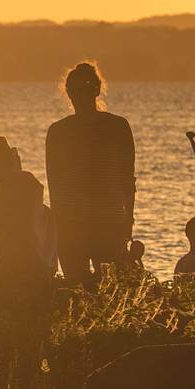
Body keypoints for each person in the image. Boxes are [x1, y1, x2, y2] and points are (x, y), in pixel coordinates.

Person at [46, 62, 135, 284]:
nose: (79, 95)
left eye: (79, 90)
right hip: (103, 220)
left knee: (82, 290)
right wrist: (127, 221)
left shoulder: (58, 131)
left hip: (77, 222)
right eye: (77, 90)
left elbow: (54, 185)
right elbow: (127, 180)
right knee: (109, 291)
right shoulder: (118, 126)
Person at [0, 136, 55, 293]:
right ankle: (47, 269)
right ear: (8, 157)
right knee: (47, 214)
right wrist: (17, 170)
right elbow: (31, 213)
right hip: (24, 260)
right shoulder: (26, 180)